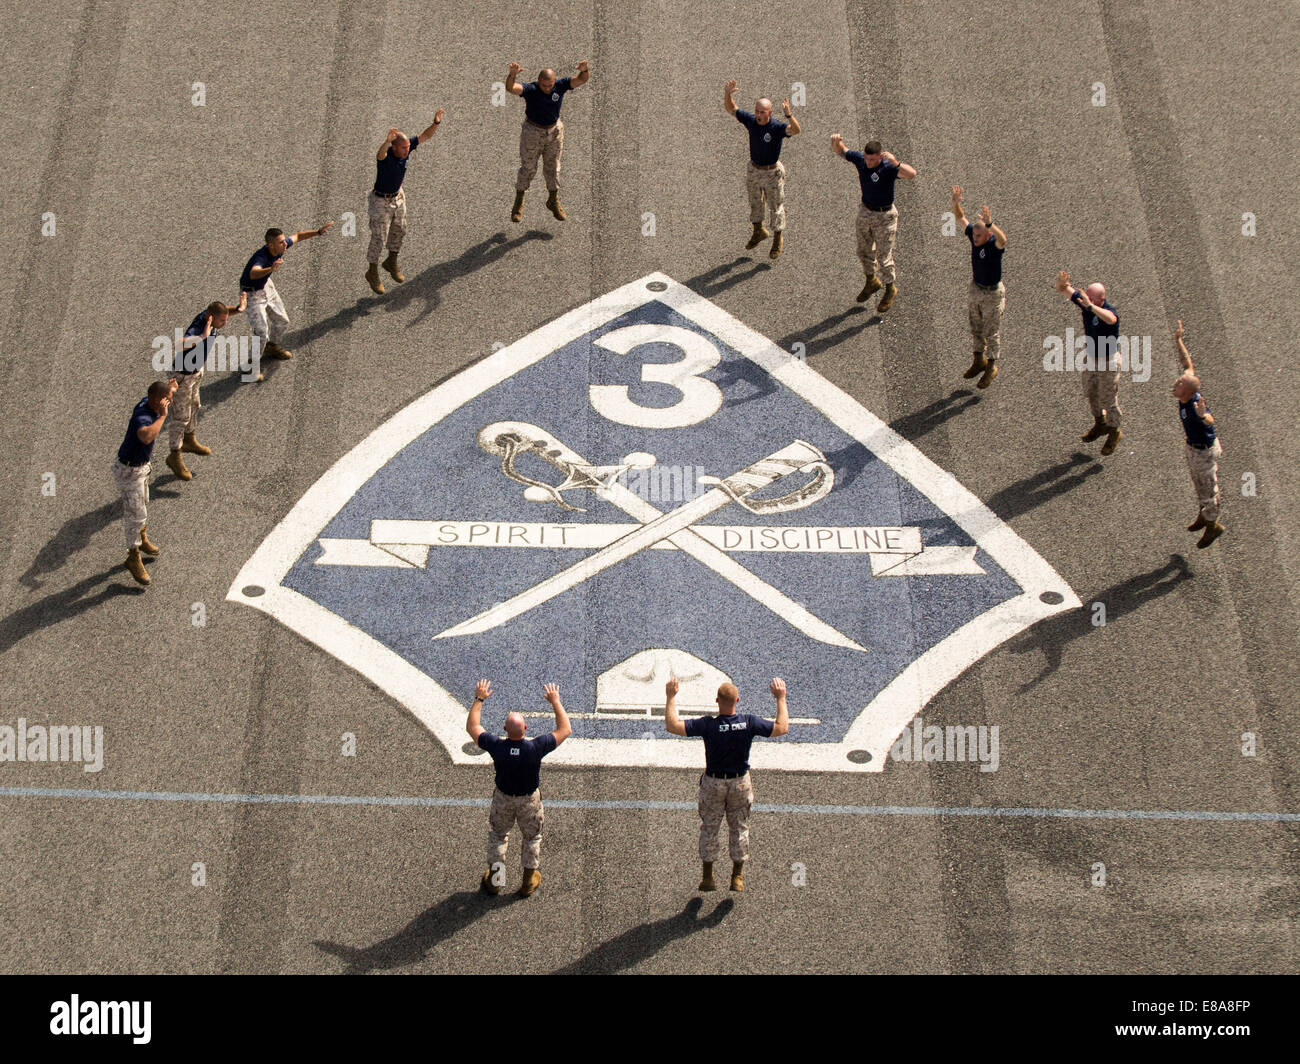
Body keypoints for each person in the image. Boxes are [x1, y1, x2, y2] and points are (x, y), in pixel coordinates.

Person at [664, 677, 789, 893]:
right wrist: (781, 698)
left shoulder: (708, 725)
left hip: (713, 782)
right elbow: (781, 728)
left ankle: (708, 877)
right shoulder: (748, 723)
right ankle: (737, 876)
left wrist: (671, 696)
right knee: (739, 827)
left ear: (717, 701)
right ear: (737, 700)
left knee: (710, 827)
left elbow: (672, 725)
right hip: (740, 782)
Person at [466, 679, 571, 897]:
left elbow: (473, 727)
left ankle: (496, 882)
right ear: (526, 728)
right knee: (532, 838)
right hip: (529, 800)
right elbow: (565, 729)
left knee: (499, 836)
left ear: (505, 729)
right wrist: (555, 701)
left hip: (503, 798)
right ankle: (528, 881)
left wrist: (479, 699)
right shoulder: (535, 748)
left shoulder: (497, 747)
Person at [165, 294, 247, 481]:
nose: (225, 323)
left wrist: (238, 308)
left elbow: (222, 311)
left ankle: (189, 440)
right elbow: (179, 345)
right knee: (181, 417)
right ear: (211, 318)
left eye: (226, 319)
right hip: (182, 375)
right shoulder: (198, 328)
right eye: (222, 320)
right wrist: (202, 337)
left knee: (195, 405)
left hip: (195, 372)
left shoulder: (210, 317)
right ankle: (174, 454)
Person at [830, 135, 917, 312]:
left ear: (880, 157)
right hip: (866, 210)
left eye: (872, 159)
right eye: (867, 158)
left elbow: (912, 174)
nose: (868, 162)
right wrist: (836, 142)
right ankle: (871, 281)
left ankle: (890, 288)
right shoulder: (861, 161)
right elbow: (842, 151)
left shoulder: (888, 168)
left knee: (884, 256)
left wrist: (896, 162)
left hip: (885, 215)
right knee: (863, 249)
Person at [366, 112, 444, 295]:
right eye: (403, 148)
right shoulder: (387, 158)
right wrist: (386, 141)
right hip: (380, 200)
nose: (406, 151)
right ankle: (372, 271)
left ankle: (391, 261)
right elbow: (379, 154)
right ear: (394, 148)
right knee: (379, 237)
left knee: (400, 228)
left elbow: (425, 136)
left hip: (397, 196)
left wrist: (435, 123)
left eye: (408, 147)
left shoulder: (406, 147)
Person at [723, 80, 801, 259]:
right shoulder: (751, 121)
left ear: (770, 113)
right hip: (754, 169)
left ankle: (777, 238)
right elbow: (731, 109)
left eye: (762, 112)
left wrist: (789, 115)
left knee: (776, 206)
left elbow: (796, 130)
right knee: (755, 202)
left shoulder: (776, 127)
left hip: (772, 172)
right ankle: (759, 231)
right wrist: (728, 94)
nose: (758, 115)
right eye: (757, 111)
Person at [506, 61, 591, 223]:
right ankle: (519, 201)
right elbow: (511, 88)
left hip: (554, 131)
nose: (547, 88)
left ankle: (553, 199)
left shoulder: (560, 86)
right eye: (544, 85)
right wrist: (512, 76)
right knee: (528, 167)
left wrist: (585, 70)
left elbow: (581, 80)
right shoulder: (531, 90)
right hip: (533, 131)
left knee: (553, 167)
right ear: (539, 82)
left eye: (550, 85)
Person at [239, 222, 334, 364]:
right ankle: (252, 365)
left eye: (284, 241)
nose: (285, 244)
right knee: (261, 332)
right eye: (281, 242)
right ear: (271, 245)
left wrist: (318, 232)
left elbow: (298, 236)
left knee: (282, 321)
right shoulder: (262, 257)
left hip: (265, 286)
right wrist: (271, 268)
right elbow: (253, 273)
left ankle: (271, 347)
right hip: (251, 294)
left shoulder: (280, 247)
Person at [113, 379, 176, 586]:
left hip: (141, 468)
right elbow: (146, 437)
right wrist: (164, 416)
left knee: (143, 505)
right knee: (135, 515)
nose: (170, 402)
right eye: (167, 400)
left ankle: (142, 538)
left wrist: (172, 388)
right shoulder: (143, 416)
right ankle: (133, 556)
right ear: (158, 400)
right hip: (130, 471)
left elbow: (165, 392)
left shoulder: (151, 402)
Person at [1057, 270, 1123, 455]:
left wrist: (1091, 308)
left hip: (1108, 361)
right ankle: (1100, 424)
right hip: (1091, 357)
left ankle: (1114, 431)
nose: (1085, 299)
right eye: (1086, 296)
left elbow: (1111, 319)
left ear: (1101, 300)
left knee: (1108, 398)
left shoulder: (1108, 312)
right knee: (1090, 391)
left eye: (1090, 298)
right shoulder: (1087, 304)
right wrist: (1062, 283)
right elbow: (1064, 290)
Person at [1173, 320, 1224, 548]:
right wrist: (1179, 340)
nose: (1176, 383)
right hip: (1193, 448)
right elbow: (1187, 363)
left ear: (1189, 391)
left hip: (1204, 453)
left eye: (1180, 384)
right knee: (1198, 484)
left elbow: (1210, 420)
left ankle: (1213, 524)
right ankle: (1205, 514)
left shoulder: (1196, 406)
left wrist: (1203, 415)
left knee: (1208, 490)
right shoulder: (1187, 389)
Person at [951, 187, 1006, 389]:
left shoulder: (993, 245)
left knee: (991, 329)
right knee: (975, 325)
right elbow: (960, 218)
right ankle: (978, 359)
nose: (975, 238)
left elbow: (1003, 240)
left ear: (988, 233)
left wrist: (991, 224)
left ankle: (991, 365)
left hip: (992, 292)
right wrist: (956, 202)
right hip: (976, 287)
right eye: (974, 234)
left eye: (979, 235)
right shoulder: (974, 238)